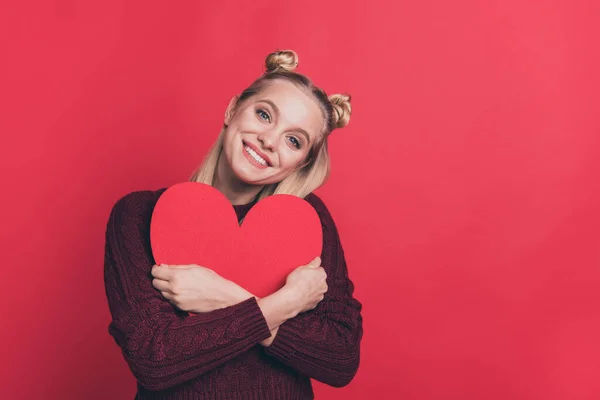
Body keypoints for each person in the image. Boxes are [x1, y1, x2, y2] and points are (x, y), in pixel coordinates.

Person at [104, 50, 363, 399]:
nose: (269, 140)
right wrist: (282, 305)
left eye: (293, 140)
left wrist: (225, 296)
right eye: (264, 114)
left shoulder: (306, 222)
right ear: (232, 110)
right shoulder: (139, 214)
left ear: (302, 163)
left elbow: (341, 358)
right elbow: (154, 358)